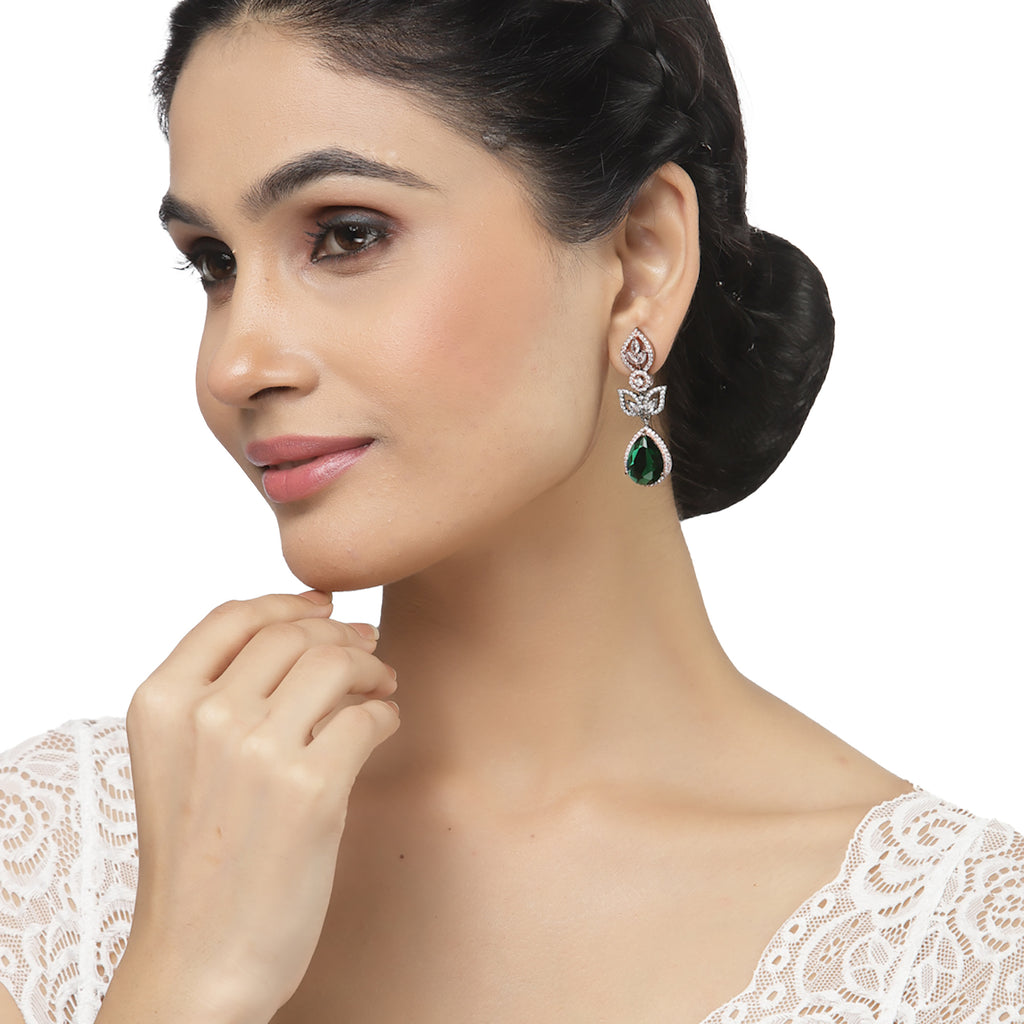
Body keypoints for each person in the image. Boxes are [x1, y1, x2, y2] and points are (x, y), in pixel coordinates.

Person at [1, 1, 1021, 1022]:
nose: (234, 364)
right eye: (215, 263)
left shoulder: (964, 956)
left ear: (641, 257)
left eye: (347, 236)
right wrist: (185, 973)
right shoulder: (59, 859)